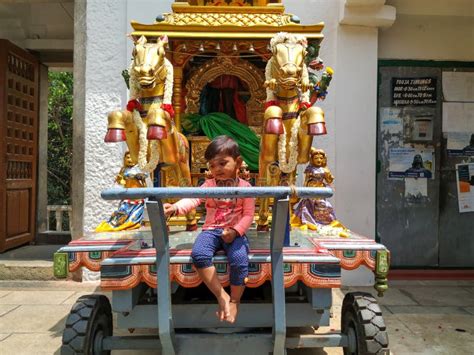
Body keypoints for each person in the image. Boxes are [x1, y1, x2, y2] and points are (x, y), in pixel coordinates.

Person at [163, 136, 255, 323]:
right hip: (211, 230)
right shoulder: (209, 185)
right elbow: (194, 198)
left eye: (222, 163)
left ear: (237, 163)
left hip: (235, 232)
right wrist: (175, 208)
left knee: (239, 259)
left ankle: (235, 301)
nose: (217, 169)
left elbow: (248, 215)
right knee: (199, 254)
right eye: (212, 166)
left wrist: (236, 231)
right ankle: (222, 296)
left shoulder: (246, 187)